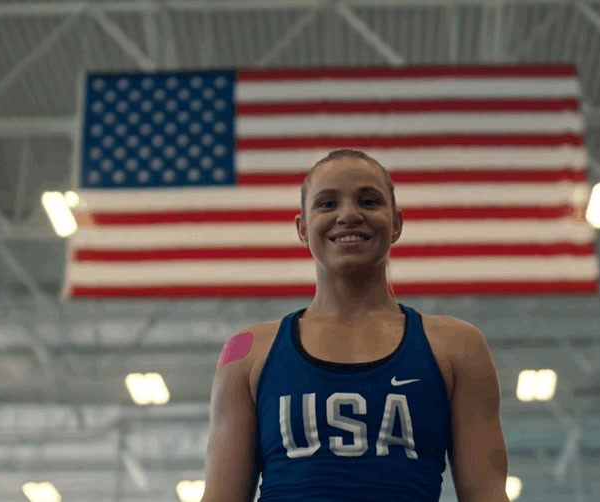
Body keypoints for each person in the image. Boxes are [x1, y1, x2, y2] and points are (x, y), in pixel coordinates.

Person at [202, 149, 510, 502]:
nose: (349, 215)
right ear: (302, 229)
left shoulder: (458, 346)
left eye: (368, 200)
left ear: (396, 224)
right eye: (327, 204)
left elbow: (486, 493)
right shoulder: (246, 352)